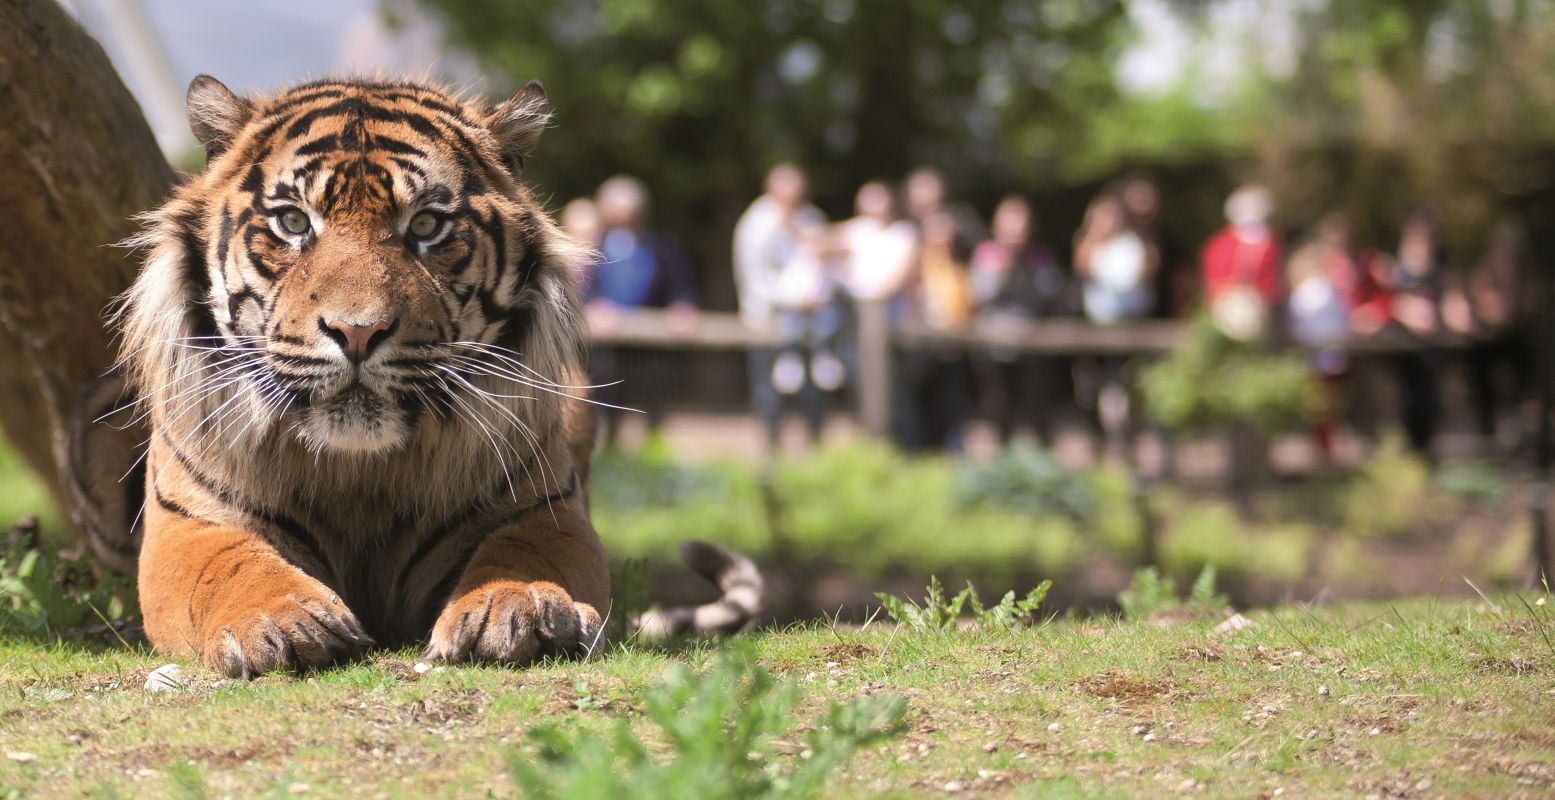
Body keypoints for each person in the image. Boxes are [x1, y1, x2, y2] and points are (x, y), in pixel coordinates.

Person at [585, 175, 698, 445]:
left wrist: (682, 307)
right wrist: (594, 305)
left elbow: (680, 287)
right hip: (607, 343)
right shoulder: (592, 247)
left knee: (653, 397)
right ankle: (611, 449)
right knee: (608, 399)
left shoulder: (662, 247)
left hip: (651, 342)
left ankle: (653, 448)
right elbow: (584, 287)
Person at [732, 163, 833, 451]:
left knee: (814, 388)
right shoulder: (756, 223)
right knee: (769, 390)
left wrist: (814, 294)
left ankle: (816, 448)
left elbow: (822, 263)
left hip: (810, 320)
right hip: (767, 321)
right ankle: (772, 451)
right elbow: (753, 275)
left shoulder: (811, 219)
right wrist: (790, 298)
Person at [969, 194, 1064, 444]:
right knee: (999, 412)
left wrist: (1028, 270)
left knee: (1036, 412)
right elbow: (980, 297)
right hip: (995, 348)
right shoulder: (986, 255)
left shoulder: (1040, 257)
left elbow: (1051, 297)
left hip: (1033, 346)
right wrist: (1004, 270)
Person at [1286, 214, 1357, 462]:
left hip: (1329, 354)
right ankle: (1323, 452)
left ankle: (1328, 452)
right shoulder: (1311, 290)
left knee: (1328, 407)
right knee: (1319, 408)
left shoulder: (1324, 287)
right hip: (1316, 355)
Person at [1200, 184, 1282, 341]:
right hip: (1229, 311)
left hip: (1260, 313)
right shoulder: (1221, 244)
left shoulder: (1268, 242)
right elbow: (1213, 285)